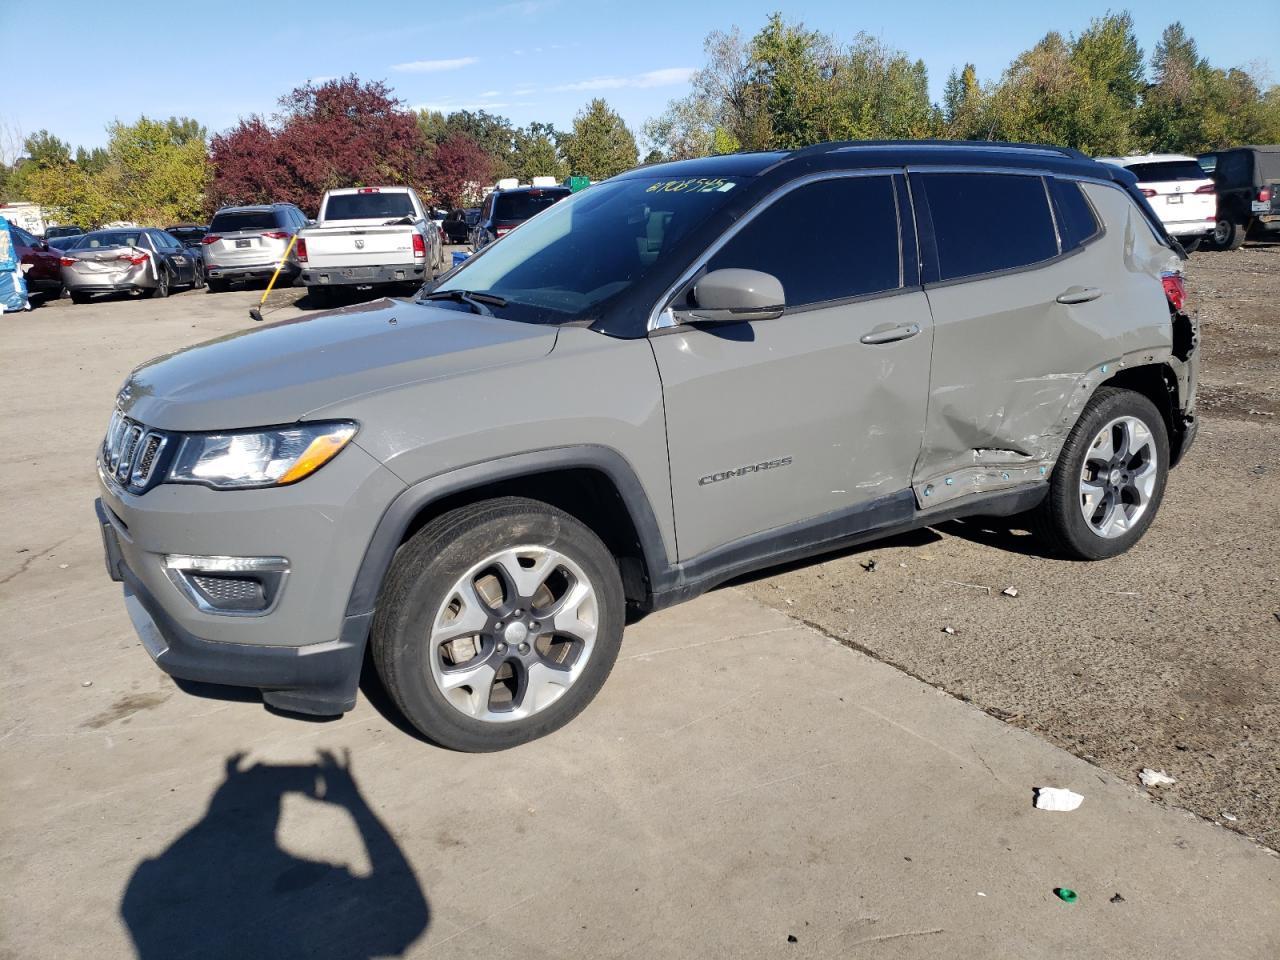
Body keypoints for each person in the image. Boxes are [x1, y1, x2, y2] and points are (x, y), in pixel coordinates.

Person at [121, 750, 429, 959]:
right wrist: (354, 802)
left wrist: (352, 801)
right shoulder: (138, 897)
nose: (335, 867)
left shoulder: (149, 897)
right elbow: (408, 908)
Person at [0, 216, 31, 312]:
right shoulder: (3, 224)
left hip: (7, 262)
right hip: (8, 261)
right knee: (16, 280)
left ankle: (19, 302)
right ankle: (20, 303)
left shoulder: (3, 224)